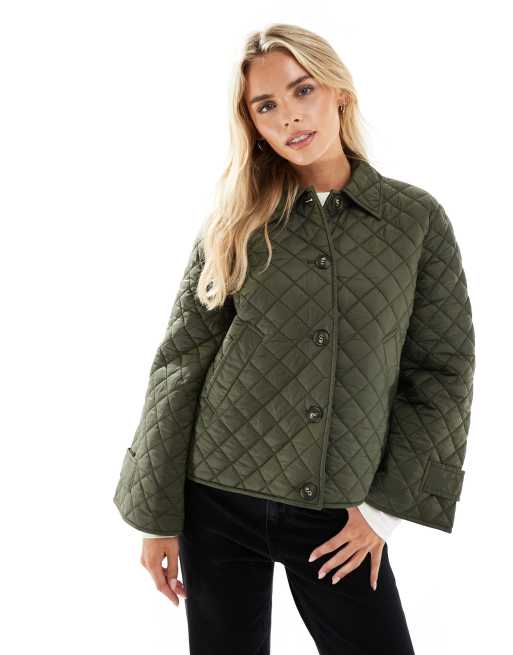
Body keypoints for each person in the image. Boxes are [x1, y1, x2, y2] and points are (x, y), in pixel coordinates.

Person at [113, 23, 475, 655]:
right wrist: (156, 517)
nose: (289, 116)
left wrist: (383, 511)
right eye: (266, 106)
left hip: (336, 514)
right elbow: (180, 363)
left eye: (302, 90)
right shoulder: (236, 222)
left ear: (338, 92)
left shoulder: (414, 220)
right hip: (216, 500)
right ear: (253, 125)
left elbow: (442, 372)